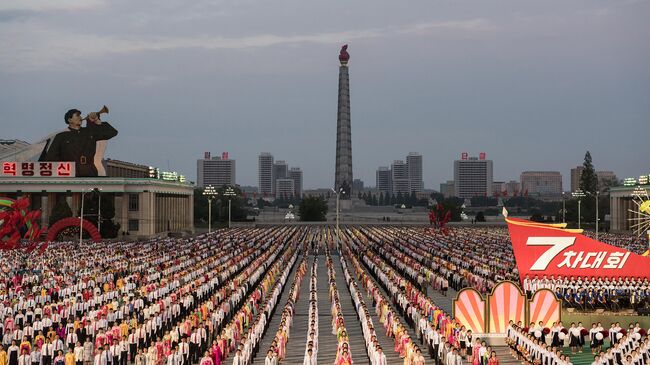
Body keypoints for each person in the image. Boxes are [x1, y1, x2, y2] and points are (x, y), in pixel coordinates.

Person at [42, 108, 118, 177]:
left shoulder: (89, 132)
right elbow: (51, 158)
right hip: (69, 173)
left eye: (80, 116)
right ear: (69, 120)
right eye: (77, 115)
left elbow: (112, 132)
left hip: (89, 171)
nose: (80, 118)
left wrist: (97, 121)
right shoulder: (61, 136)